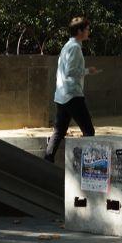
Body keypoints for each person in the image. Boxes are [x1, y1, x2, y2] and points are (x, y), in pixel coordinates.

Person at [44, 17, 101, 162]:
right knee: (88, 130)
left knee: (59, 131)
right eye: (87, 29)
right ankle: (89, 165)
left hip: (62, 95)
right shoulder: (75, 48)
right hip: (72, 95)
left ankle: (47, 160)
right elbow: (70, 71)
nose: (89, 32)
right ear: (80, 31)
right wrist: (88, 71)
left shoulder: (67, 46)